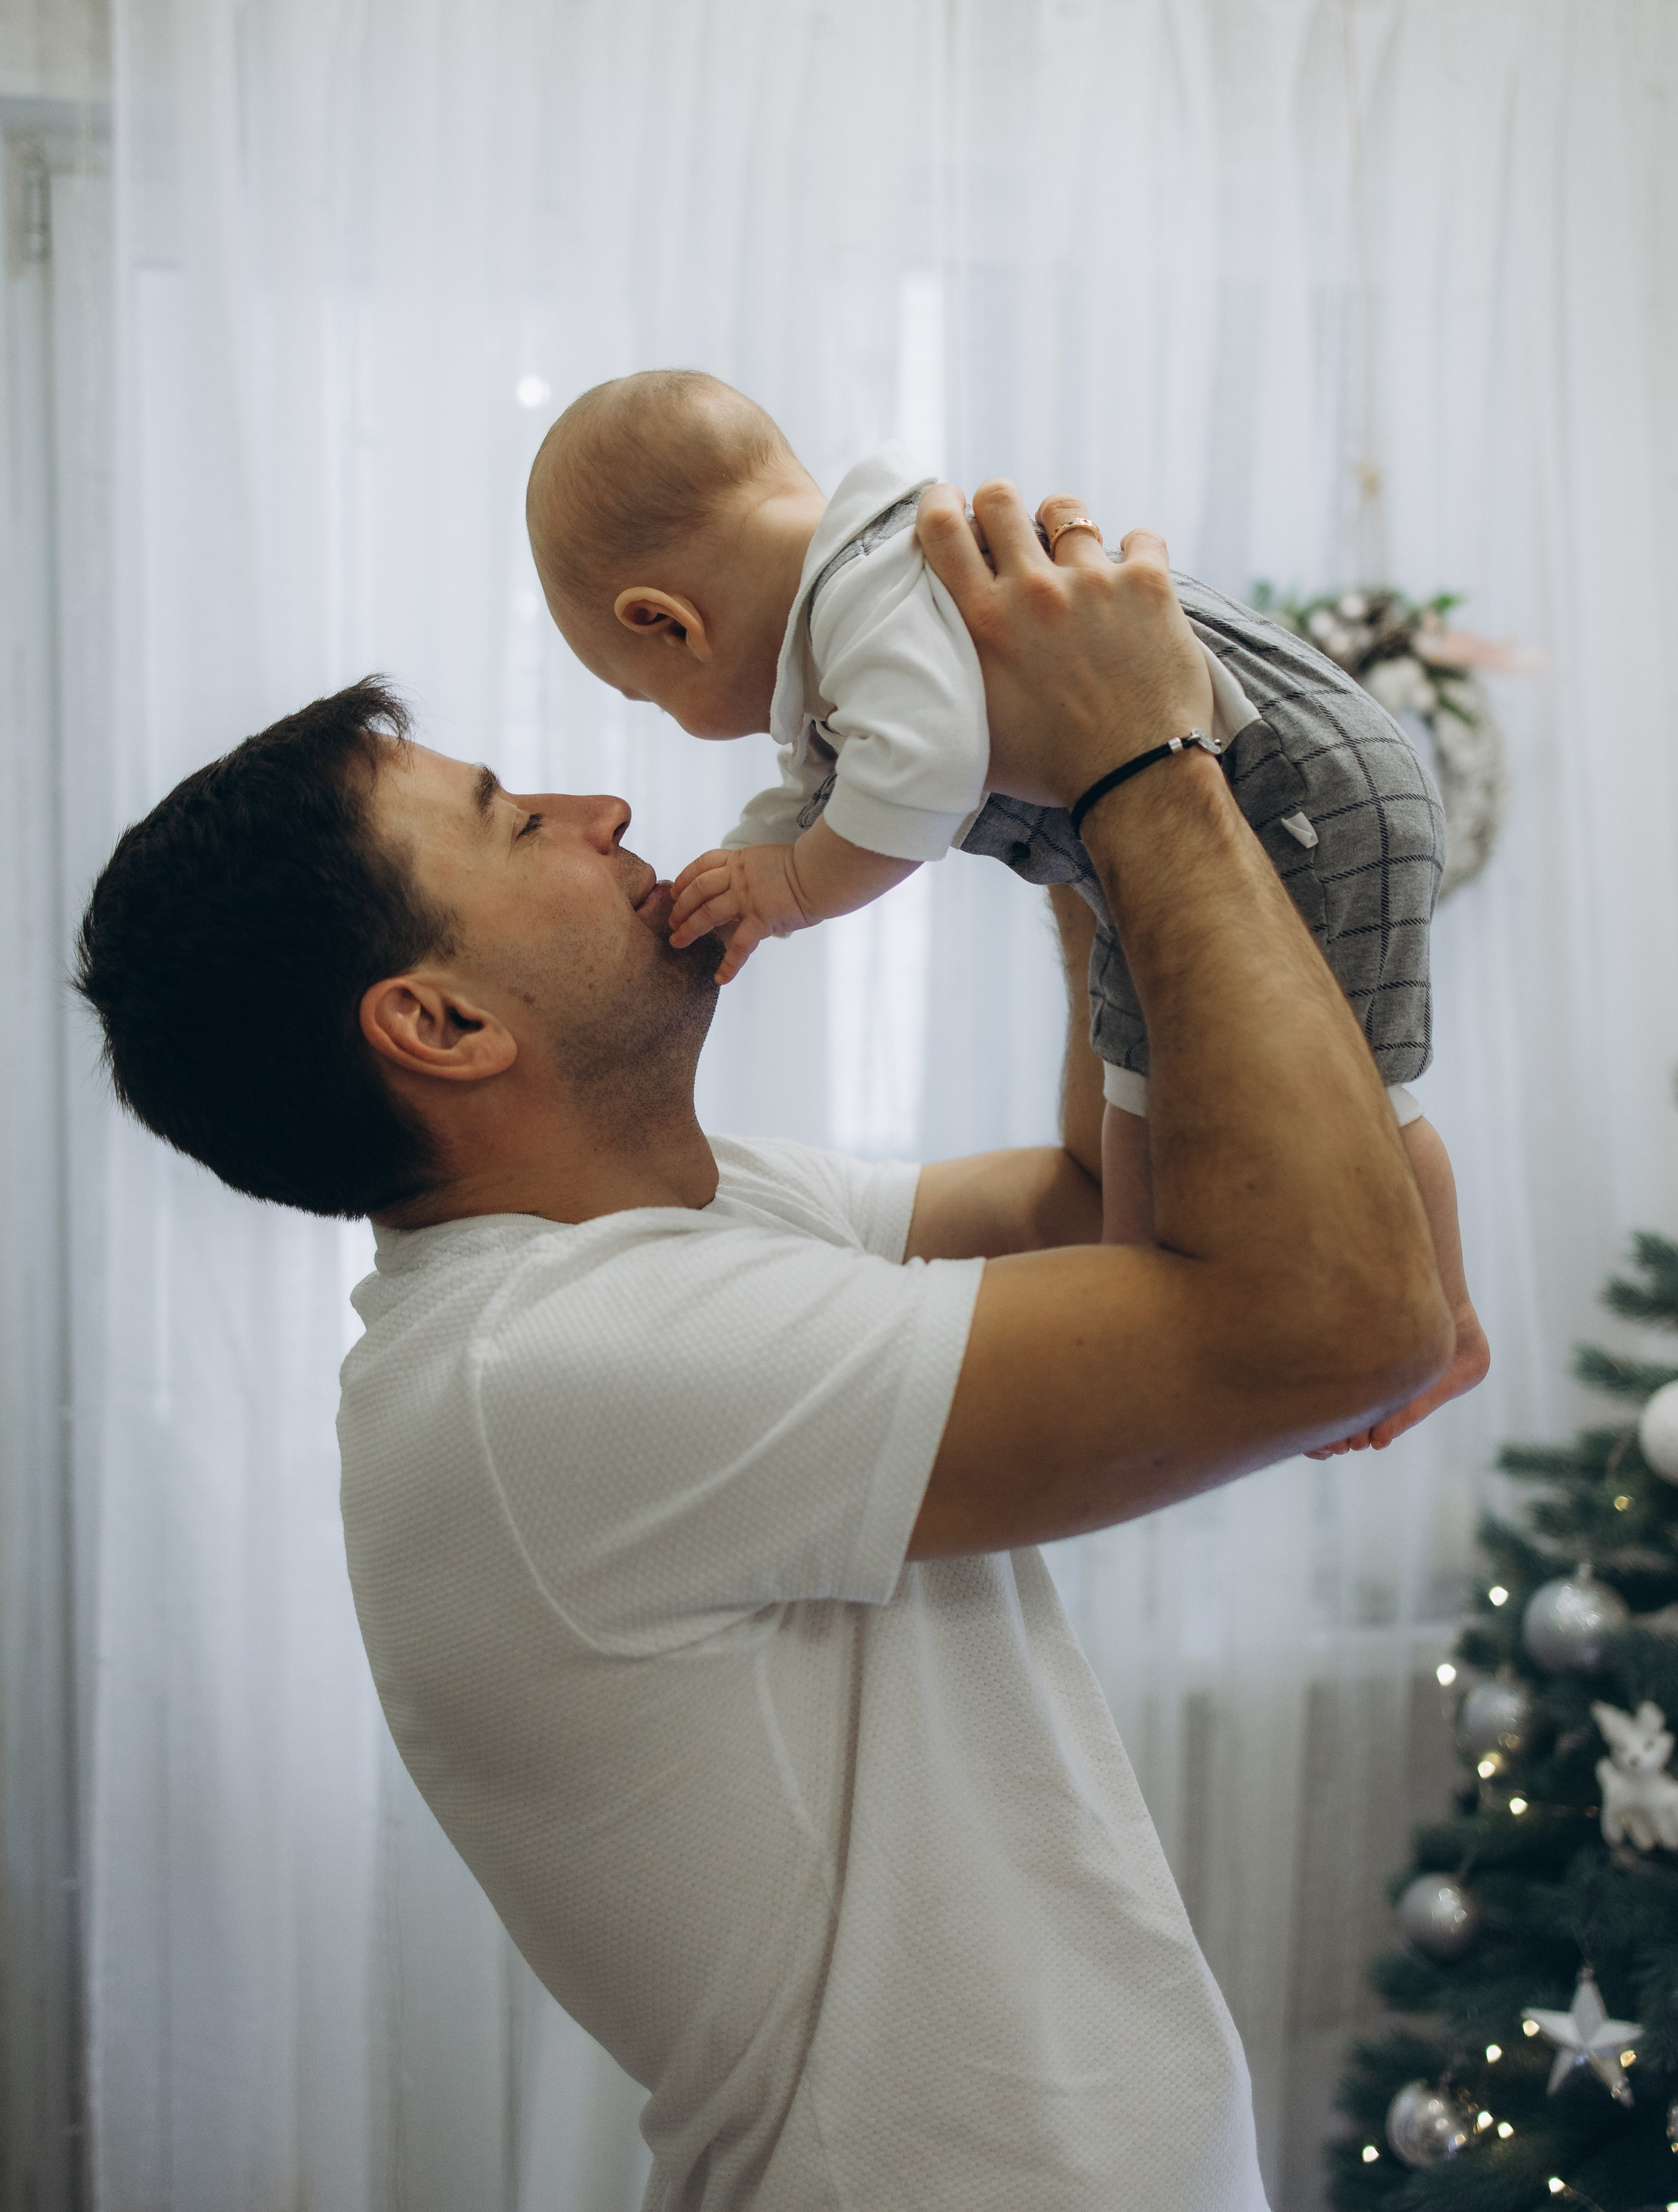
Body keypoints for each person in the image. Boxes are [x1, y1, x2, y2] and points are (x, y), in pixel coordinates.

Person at [75, 488, 1456, 2211]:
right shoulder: (560, 1369)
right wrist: (1146, 765)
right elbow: (1332, 1321)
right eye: (518, 823)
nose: (608, 807)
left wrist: (1055, 830)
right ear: (440, 1024)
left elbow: (1098, 1207)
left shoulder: (683, 1236)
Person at [527, 372, 1488, 1451]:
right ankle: (1149, 1298)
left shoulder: (868, 601)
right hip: (1159, 830)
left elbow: (923, 773)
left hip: (1295, 795)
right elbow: (841, 784)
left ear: (666, 623)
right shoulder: (858, 601)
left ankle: (1443, 1316)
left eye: (646, 697)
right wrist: (751, 856)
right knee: (1137, 1087)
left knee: (1367, 1094)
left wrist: (790, 888)